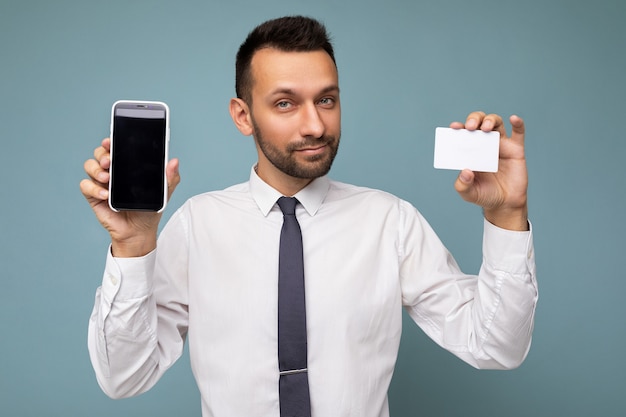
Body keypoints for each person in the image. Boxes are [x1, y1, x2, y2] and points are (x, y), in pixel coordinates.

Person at [81, 16, 537, 417]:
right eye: (285, 103)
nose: (315, 125)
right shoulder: (198, 225)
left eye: (326, 100)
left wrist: (507, 215)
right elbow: (124, 378)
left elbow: (496, 345)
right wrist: (132, 248)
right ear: (243, 115)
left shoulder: (389, 222)